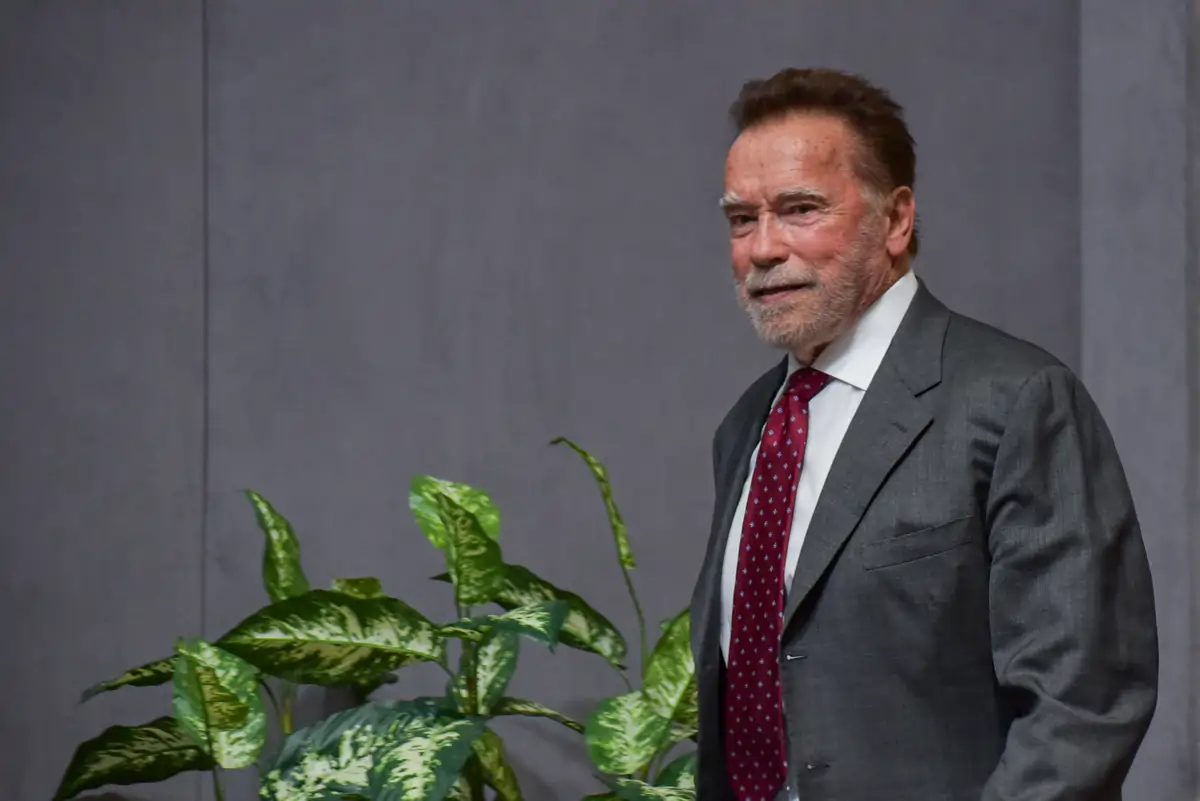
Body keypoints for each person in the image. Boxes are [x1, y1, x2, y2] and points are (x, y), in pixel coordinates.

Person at [688, 67, 1159, 801]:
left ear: (896, 220)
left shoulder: (1015, 400)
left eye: (800, 209)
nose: (763, 248)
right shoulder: (749, 428)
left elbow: (1082, 708)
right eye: (742, 219)